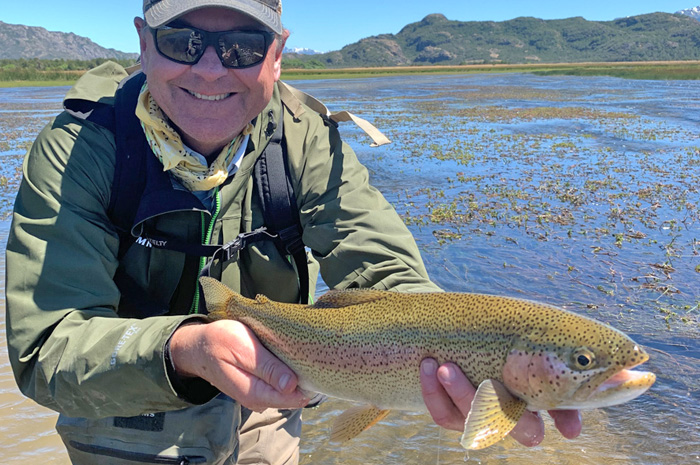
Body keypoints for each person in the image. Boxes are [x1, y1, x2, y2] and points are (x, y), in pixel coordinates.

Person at [4, 1, 582, 464]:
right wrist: (183, 350)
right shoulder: (79, 150)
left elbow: (385, 274)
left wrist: (450, 355)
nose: (209, 68)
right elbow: (43, 349)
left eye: (241, 47)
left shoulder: (305, 139)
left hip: (271, 414)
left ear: (276, 54)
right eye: (182, 41)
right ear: (142, 42)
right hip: (122, 427)